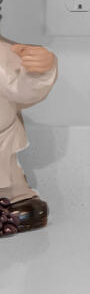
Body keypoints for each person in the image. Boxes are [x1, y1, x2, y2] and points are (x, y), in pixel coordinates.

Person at [1, 40, 56, 235]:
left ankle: (10, 205)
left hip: (2, 143)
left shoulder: (4, 56)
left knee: (14, 195)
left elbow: (25, 91)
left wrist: (39, 70)